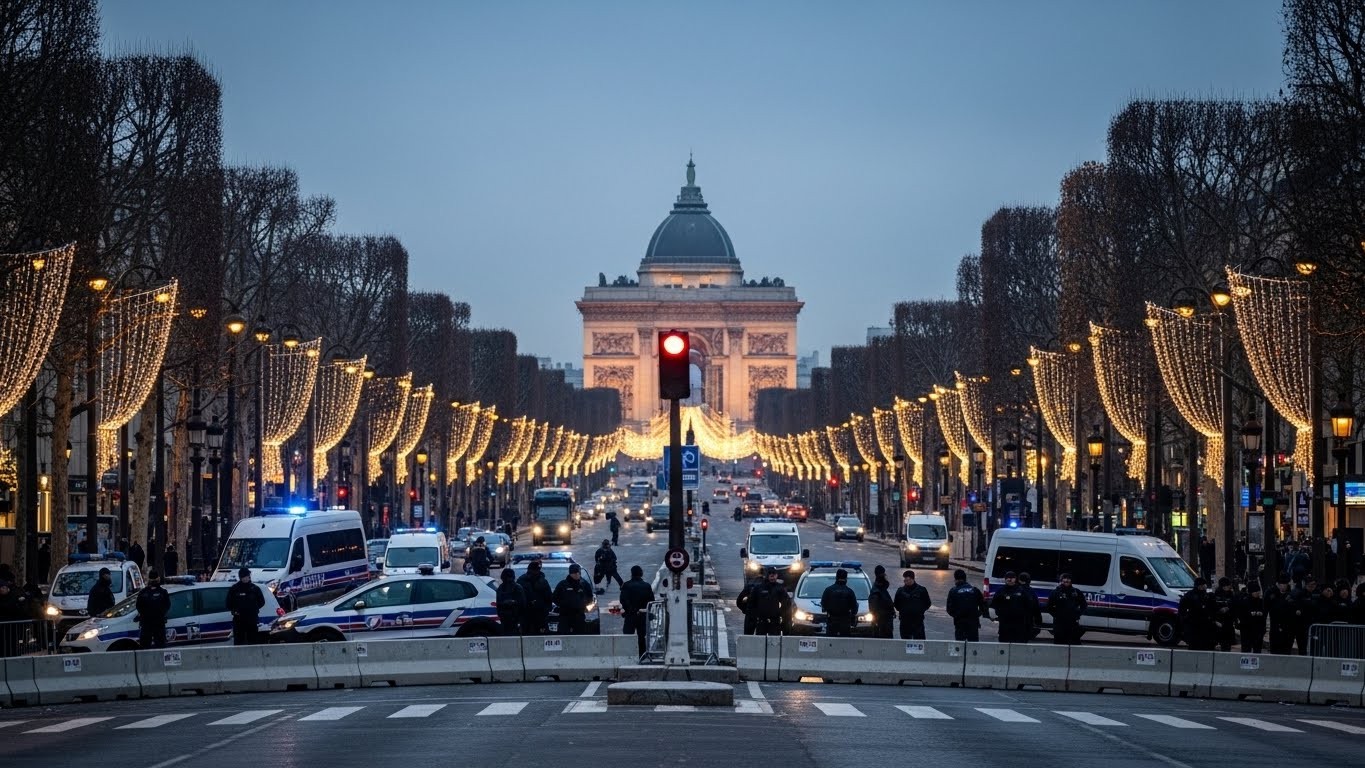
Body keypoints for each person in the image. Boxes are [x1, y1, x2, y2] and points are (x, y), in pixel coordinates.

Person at [619, 564, 655, 656]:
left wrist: (631, 610)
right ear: (641, 574)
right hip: (643, 615)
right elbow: (651, 601)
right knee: (642, 637)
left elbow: (623, 600)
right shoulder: (647, 586)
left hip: (630, 615)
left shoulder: (626, 585)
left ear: (631, 574)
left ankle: (628, 655)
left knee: (628, 636)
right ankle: (641, 655)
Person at [226, 566, 265, 645]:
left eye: (247, 576)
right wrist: (235, 610)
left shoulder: (255, 589)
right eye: (243, 577)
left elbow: (261, 602)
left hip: (252, 619)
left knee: (253, 641)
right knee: (239, 642)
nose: (245, 578)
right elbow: (228, 603)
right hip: (239, 620)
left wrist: (253, 609)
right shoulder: (234, 589)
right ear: (240, 577)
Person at [552, 563, 595, 635]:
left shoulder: (584, 584)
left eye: (578, 573)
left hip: (579, 615)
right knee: (563, 635)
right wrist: (562, 605)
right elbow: (554, 597)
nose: (577, 574)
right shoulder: (563, 584)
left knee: (580, 635)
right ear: (570, 573)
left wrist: (584, 605)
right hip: (565, 615)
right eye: (575, 573)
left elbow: (590, 597)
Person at [990, 571, 1032, 644]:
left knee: (1017, 644)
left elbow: (1028, 606)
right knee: (1004, 644)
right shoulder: (1000, 591)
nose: (1010, 579)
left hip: (1018, 624)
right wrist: (999, 614)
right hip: (1004, 623)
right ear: (1005, 579)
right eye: (1008, 578)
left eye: (1012, 578)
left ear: (1015, 579)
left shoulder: (1021, 591)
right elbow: (994, 605)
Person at [1046, 573, 1087, 645]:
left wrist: (1078, 613)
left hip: (1073, 623)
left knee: (1074, 645)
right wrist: (1056, 615)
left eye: (1068, 579)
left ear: (1071, 580)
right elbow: (1049, 607)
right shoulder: (1055, 592)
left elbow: (1084, 605)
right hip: (1059, 624)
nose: (1066, 580)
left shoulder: (1076, 592)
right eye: (1064, 579)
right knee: (1059, 645)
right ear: (1061, 581)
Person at [944, 569, 985, 642]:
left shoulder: (953, 591)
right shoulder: (974, 590)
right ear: (965, 578)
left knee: (960, 645)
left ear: (955, 579)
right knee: (973, 645)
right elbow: (983, 605)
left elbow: (949, 608)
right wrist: (977, 614)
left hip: (960, 623)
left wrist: (957, 615)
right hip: (973, 623)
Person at [135, 570, 172, 649]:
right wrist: (160, 614)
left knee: (145, 647)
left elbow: (138, 606)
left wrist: (144, 615)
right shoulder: (162, 592)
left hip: (147, 624)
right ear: (158, 579)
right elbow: (167, 606)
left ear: (149, 579)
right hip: (158, 624)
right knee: (160, 646)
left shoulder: (143, 592)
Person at [750, 567, 791, 636]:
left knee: (774, 640)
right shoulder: (759, 588)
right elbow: (752, 604)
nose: (772, 577)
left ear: (777, 575)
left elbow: (786, 604)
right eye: (770, 574)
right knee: (761, 640)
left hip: (775, 621)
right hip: (761, 620)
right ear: (767, 575)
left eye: (774, 574)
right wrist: (755, 616)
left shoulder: (779, 588)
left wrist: (781, 614)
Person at [517, 560, 553, 635]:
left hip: (539, 615)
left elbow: (549, 598)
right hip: (528, 615)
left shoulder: (542, 581)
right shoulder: (522, 581)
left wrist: (545, 609)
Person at [1178, 578, 1216, 650]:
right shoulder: (1190, 595)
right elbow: (1182, 610)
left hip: (1205, 625)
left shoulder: (1207, 595)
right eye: (1203, 585)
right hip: (1193, 624)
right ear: (1199, 586)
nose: (1205, 586)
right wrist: (1185, 619)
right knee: (1194, 645)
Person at [893, 570, 932, 640]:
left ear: (912, 579)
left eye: (907, 580)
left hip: (918, 621)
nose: (905, 582)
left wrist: (920, 611)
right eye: (904, 580)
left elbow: (927, 603)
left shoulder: (921, 590)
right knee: (905, 641)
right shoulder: (900, 591)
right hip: (905, 621)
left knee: (919, 642)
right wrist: (903, 610)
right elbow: (896, 604)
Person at [820, 569, 859, 637]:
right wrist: (852, 617)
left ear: (836, 577)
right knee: (844, 641)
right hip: (845, 622)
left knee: (830, 641)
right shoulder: (849, 592)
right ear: (846, 578)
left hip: (832, 621)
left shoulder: (828, 590)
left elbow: (823, 604)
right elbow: (854, 608)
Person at [1266, 574, 1296, 654]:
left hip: (1288, 629)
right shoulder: (1272, 594)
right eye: (1281, 584)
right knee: (1275, 652)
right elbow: (1267, 607)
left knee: (1286, 652)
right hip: (1275, 628)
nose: (1283, 586)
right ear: (1278, 585)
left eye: (1285, 584)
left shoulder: (1291, 595)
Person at [1236, 579, 1267, 653]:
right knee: (1246, 651)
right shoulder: (1244, 602)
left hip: (1258, 632)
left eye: (1258, 591)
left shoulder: (1261, 602)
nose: (1257, 592)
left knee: (1257, 651)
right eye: (1255, 591)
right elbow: (1241, 617)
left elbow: (1264, 617)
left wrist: (1263, 629)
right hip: (1247, 632)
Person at [495, 568, 526, 636]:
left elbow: (522, 604)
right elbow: (499, 604)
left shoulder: (517, 588)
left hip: (515, 619)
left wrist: (513, 603)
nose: (507, 580)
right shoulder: (501, 588)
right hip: (505, 619)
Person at [867, 568, 895, 639]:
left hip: (885, 624)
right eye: (884, 573)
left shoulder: (882, 589)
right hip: (882, 625)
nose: (886, 575)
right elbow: (873, 608)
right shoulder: (877, 590)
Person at [1211, 577, 1237, 652]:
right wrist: (1220, 610)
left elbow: (1234, 605)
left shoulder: (1231, 594)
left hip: (1229, 621)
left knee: (1227, 643)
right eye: (1228, 585)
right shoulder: (1216, 594)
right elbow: (1213, 608)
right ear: (1223, 586)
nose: (1229, 587)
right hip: (1219, 622)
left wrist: (1228, 608)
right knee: (1220, 641)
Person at [1019, 572, 1044, 639]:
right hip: (1027, 621)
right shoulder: (1031, 592)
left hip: (1015, 621)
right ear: (1029, 581)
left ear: (1019, 580)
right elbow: (1036, 608)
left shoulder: (1014, 590)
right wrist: (1038, 622)